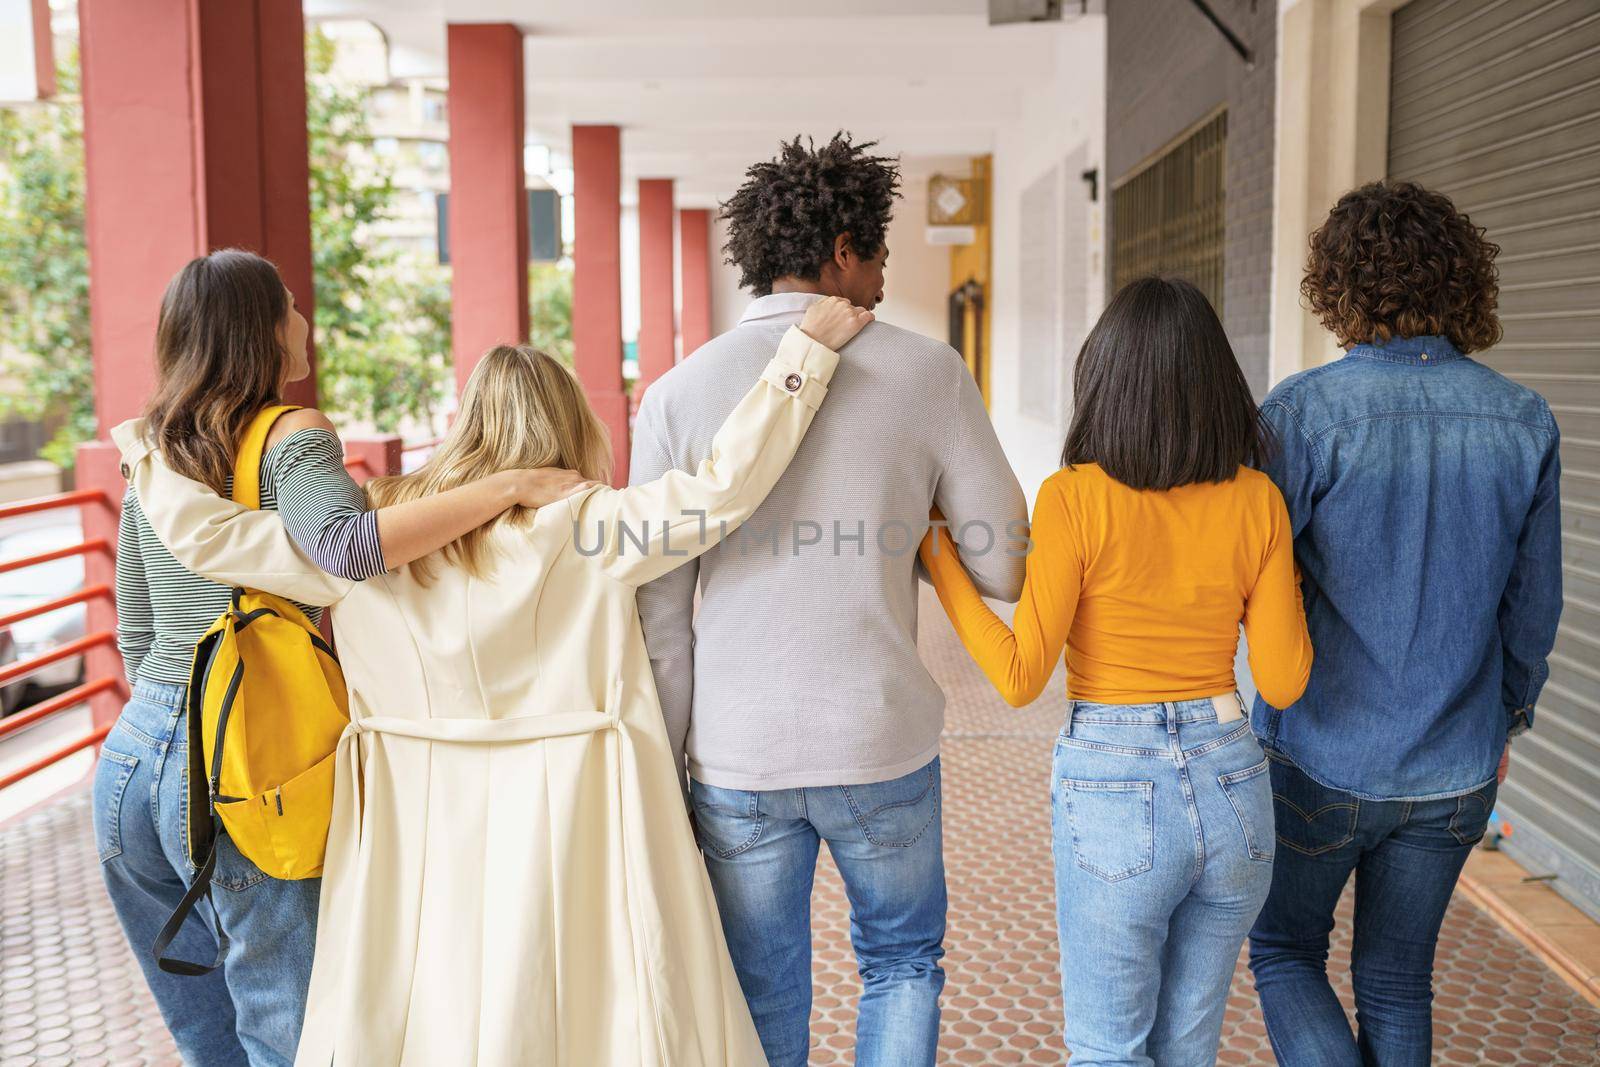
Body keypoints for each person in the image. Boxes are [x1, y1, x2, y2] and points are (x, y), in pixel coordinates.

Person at [115, 292, 873, 1065]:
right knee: (587, 1005)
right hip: (577, 808)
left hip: (415, 818)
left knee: (430, 1004)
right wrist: (800, 359)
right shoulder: (594, 522)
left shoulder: (372, 530)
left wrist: (147, 456)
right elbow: (724, 487)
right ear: (572, 426)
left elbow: (224, 540)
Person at [99, 249, 588, 1066]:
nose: (305, 322)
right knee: (287, 1030)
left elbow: (139, 633)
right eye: (290, 305)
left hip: (133, 761)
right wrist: (510, 488)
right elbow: (350, 545)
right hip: (237, 764)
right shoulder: (292, 433)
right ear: (259, 331)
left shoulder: (157, 452)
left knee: (204, 1035)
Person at [629, 132, 1028, 1066]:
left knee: (761, 986)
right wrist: (921, 514)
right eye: (881, 252)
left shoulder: (675, 396)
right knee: (900, 960)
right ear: (843, 250)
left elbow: (660, 623)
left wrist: (678, 762)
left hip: (737, 755)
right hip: (877, 739)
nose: (885, 274)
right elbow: (1006, 565)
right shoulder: (928, 373)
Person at [918, 276, 1313, 1066]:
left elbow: (1022, 674)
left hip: (1115, 783)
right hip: (1234, 781)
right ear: (1217, 387)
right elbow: (1283, 680)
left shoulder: (1072, 499)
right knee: (1187, 1046)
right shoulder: (1259, 501)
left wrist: (937, 555)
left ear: (1102, 380)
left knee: (1108, 1048)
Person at [1246, 181, 1563, 1066]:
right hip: (1456, 765)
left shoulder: (1298, 416)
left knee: (1283, 951)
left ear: (1337, 284)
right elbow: (1534, 609)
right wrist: (1508, 714)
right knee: (1395, 979)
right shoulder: (1523, 418)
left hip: (1318, 753)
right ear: (1463, 282)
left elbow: (1249, 585)